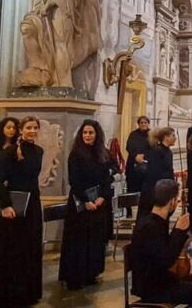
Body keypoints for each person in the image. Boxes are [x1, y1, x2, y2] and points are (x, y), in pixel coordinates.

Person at [0, 116, 44, 307]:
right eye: (28, 127)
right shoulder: (9, 152)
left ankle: (27, 293)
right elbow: (0, 181)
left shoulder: (39, 151)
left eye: (35, 128)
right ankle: (6, 295)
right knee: (10, 250)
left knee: (30, 248)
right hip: (12, 206)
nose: (32, 131)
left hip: (32, 204)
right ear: (21, 129)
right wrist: (6, 205)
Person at [129, 179, 192, 307]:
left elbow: (165, 249)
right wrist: (178, 232)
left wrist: (181, 236)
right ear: (172, 202)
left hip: (163, 278)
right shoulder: (149, 226)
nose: (177, 203)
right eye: (177, 200)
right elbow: (166, 260)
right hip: (152, 286)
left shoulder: (159, 221)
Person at [60, 119, 116, 290]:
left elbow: (107, 178)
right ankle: (75, 276)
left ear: (96, 135)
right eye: (85, 132)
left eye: (91, 133)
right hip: (80, 203)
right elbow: (74, 180)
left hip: (99, 203)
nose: (87, 135)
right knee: (78, 241)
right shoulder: (76, 154)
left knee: (95, 240)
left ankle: (91, 272)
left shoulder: (103, 153)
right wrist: (86, 201)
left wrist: (103, 198)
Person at [140, 127, 176, 214]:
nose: (175, 138)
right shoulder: (157, 151)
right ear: (166, 137)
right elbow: (154, 173)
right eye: (173, 136)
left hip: (165, 189)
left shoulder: (168, 152)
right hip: (156, 191)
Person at [126, 116, 151, 211]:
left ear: (148, 124)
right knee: (131, 188)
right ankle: (129, 211)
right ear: (138, 124)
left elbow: (154, 148)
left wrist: (144, 156)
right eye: (141, 123)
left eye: (145, 122)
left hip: (146, 166)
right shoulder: (133, 134)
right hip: (133, 165)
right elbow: (128, 146)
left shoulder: (152, 135)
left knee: (145, 190)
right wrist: (135, 155)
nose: (143, 124)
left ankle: (144, 209)